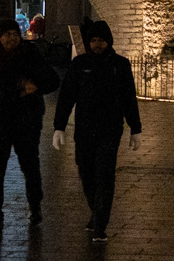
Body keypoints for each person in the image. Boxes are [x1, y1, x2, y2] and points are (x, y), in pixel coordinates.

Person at [51, 19, 140, 243]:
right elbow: (67, 96)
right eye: (93, 40)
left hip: (110, 129)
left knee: (105, 174)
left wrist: (135, 128)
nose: (97, 44)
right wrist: (59, 126)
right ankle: (96, 211)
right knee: (86, 172)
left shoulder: (120, 65)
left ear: (108, 41)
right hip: (84, 128)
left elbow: (129, 98)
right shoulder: (80, 64)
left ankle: (100, 224)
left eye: (101, 40)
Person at [0, 16, 59, 236]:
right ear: (0, 37)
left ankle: (35, 207)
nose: (11, 39)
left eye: (15, 35)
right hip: (0, 121)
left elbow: (52, 80)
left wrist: (36, 86)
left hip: (26, 121)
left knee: (30, 166)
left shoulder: (31, 56)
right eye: (7, 35)